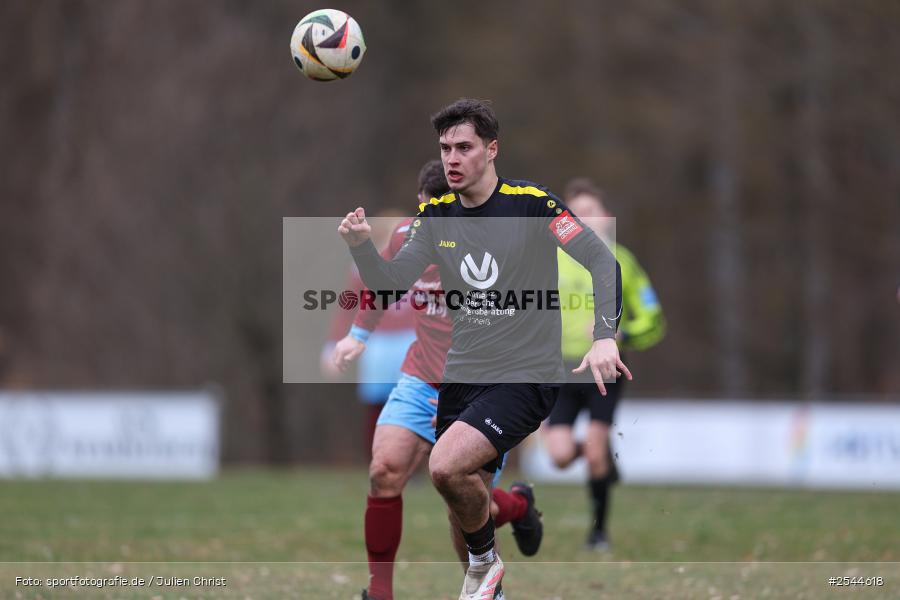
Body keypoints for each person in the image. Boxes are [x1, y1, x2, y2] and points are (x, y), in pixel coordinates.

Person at [339, 99, 630, 599]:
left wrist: (604, 334)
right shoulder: (435, 218)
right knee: (462, 495)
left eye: (464, 147)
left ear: (492, 150)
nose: (452, 159)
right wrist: (363, 246)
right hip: (461, 376)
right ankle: (491, 572)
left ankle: (483, 567)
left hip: (525, 375)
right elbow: (389, 283)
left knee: (444, 465)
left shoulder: (533, 205)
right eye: (445, 149)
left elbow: (601, 262)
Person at [333, 160, 542, 600]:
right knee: (384, 471)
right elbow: (383, 286)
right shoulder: (407, 235)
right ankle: (380, 593)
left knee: (465, 506)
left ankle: (516, 511)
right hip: (420, 378)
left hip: (480, 390)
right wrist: (357, 335)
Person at [544, 178, 666, 552]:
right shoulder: (549, 259)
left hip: (605, 369)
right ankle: (602, 462)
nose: (582, 220)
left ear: (606, 216)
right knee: (559, 456)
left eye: (590, 212)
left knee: (596, 452)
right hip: (560, 369)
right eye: (575, 214)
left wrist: (621, 334)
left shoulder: (622, 261)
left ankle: (598, 533)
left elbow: (653, 318)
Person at [321, 209, 416, 458]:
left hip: (413, 343)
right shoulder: (362, 268)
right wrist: (332, 345)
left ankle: (413, 464)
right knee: (378, 406)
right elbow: (347, 309)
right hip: (378, 347)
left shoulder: (422, 264)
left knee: (414, 404)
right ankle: (379, 460)